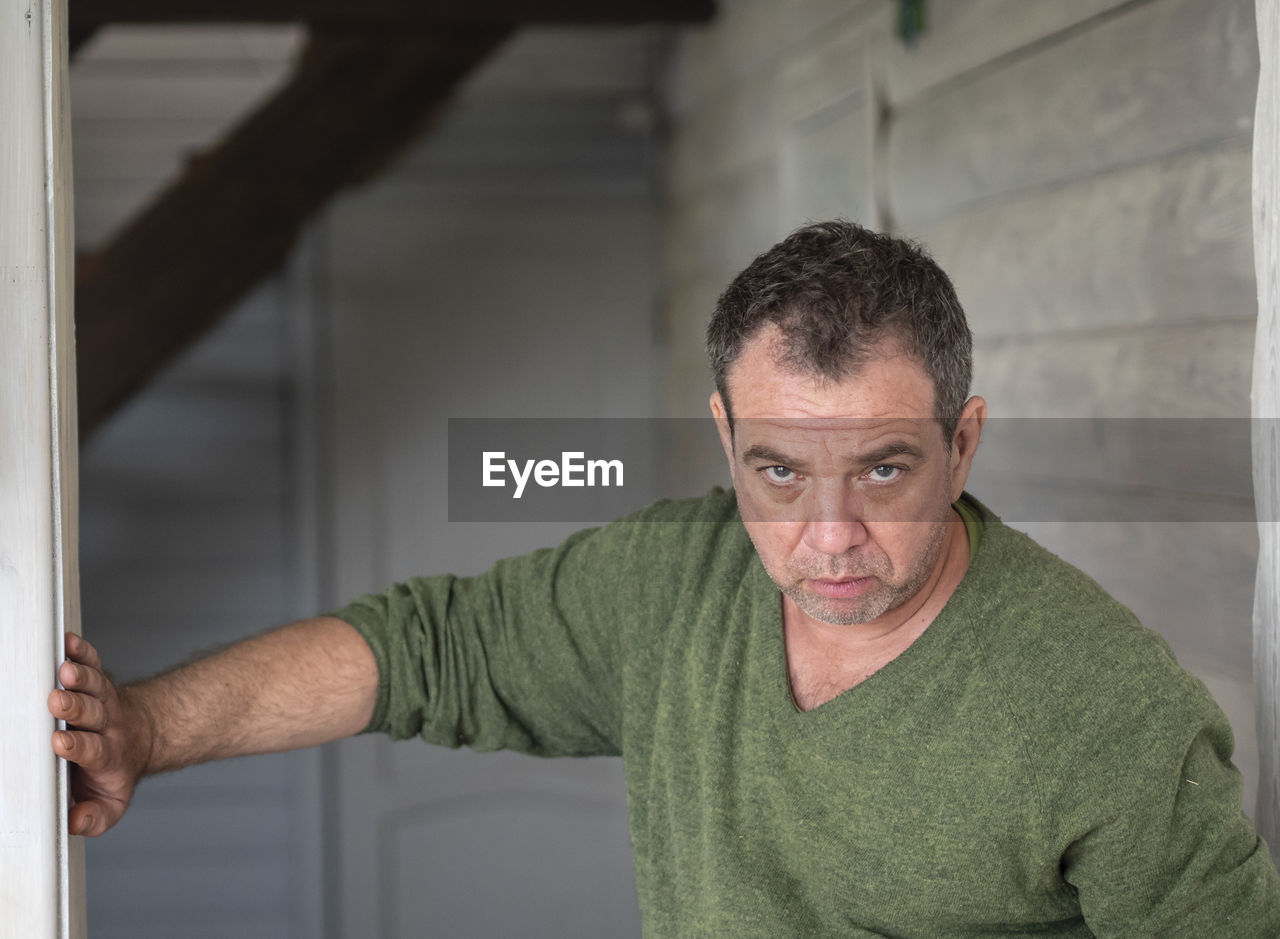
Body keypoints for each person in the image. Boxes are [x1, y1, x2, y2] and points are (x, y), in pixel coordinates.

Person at [49, 221, 1280, 935]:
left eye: (887, 468)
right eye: (779, 473)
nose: (830, 536)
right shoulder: (668, 588)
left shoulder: (1103, 710)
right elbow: (424, 650)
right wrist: (148, 728)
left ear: (962, 443)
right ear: (723, 439)